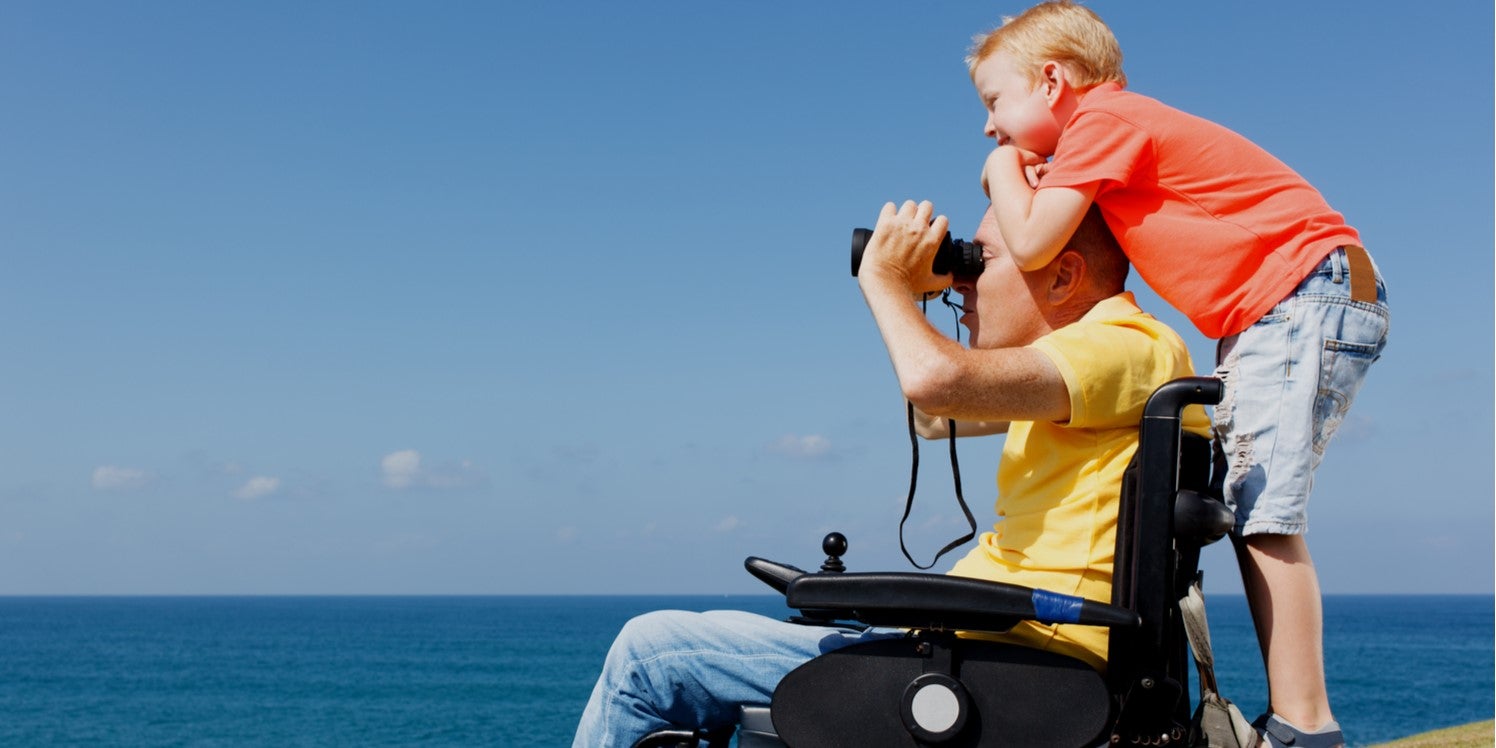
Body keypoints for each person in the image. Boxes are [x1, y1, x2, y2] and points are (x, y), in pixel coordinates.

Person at [572, 202, 1208, 746]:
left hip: (1018, 662)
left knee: (651, 655)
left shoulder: (1124, 342)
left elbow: (936, 384)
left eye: (978, 262)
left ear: (1065, 275)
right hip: (998, 645)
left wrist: (884, 278)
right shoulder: (1090, 375)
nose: (963, 282)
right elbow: (935, 415)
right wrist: (917, 297)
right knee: (684, 644)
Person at [966, 3, 1391, 746]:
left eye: (995, 102)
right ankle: (1294, 719)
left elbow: (1032, 245)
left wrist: (1003, 169)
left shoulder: (1105, 122)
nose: (989, 126)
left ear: (1053, 81)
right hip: (1282, 305)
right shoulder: (1111, 134)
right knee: (1245, 504)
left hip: (1301, 293)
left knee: (1264, 514)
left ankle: (1306, 727)